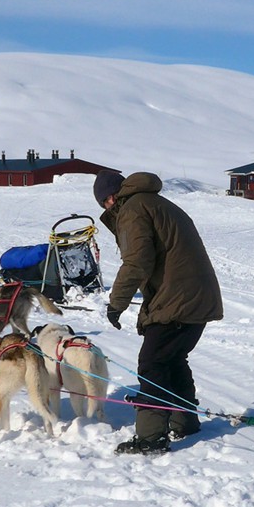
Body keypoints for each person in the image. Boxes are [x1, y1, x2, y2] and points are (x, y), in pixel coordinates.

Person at [95, 169, 223, 456]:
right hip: (195, 297)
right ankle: (185, 422)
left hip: (178, 300)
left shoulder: (133, 209)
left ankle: (151, 437)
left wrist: (116, 303)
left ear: (111, 198)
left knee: (152, 364)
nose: (106, 209)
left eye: (104, 204)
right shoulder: (155, 203)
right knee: (171, 358)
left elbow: (137, 261)